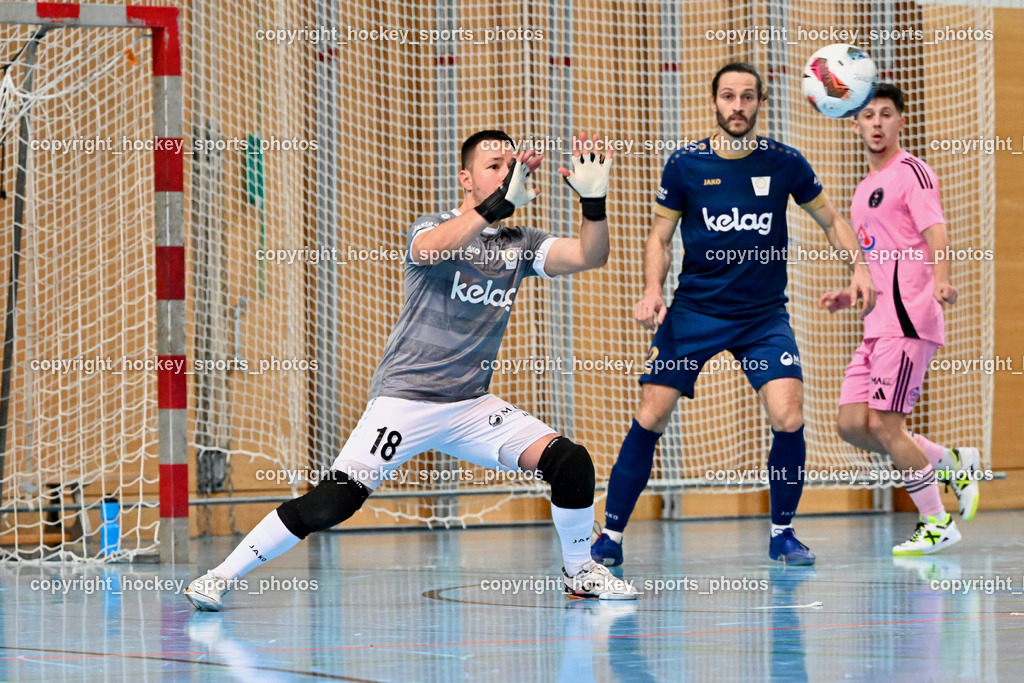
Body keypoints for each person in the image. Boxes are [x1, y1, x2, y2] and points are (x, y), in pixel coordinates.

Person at [185, 130, 638, 610]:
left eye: (512, 165)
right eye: (494, 166)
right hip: (405, 401)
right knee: (332, 503)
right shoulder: (432, 226)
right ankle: (219, 576)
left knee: (571, 462)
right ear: (466, 178)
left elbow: (592, 255)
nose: (507, 173)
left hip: (470, 405)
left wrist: (594, 202)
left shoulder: (521, 243)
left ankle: (580, 571)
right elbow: (429, 251)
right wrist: (494, 208)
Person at [591, 62, 877, 568]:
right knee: (651, 416)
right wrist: (653, 289)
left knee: (789, 416)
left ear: (760, 103)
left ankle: (783, 534)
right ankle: (609, 537)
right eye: (728, 96)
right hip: (695, 311)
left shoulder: (786, 162)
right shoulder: (684, 165)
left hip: (763, 317)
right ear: (715, 102)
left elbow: (831, 219)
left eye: (747, 97)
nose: (738, 105)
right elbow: (659, 236)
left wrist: (859, 268)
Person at [818, 83, 980, 554]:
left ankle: (936, 521)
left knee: (888, 427)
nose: (876, 123)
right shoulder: (863, 189)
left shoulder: (914, 172)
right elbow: (876, 262)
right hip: (877, 322)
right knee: (852, 424)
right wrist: (852, 294)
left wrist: (942, 280)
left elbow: (937, 234)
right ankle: (950, 461)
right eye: (868, 116)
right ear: (854, 125)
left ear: (900, 122)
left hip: (910, 318)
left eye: (886, 115)